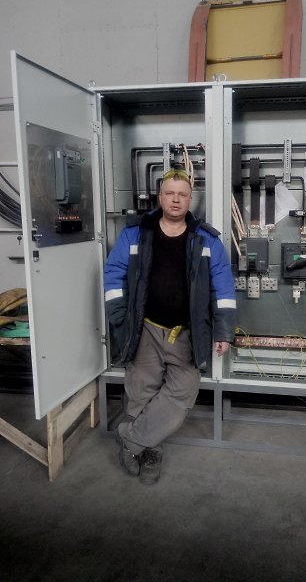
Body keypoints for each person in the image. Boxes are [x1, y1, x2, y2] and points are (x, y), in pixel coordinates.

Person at [104, 169, 236, 485]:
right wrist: (120, 317)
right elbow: (113, 275)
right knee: (140, 392)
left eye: (182, 194)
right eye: (169, 193)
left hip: (186, 332)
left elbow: (223, 288)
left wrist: (223, 330)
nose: (176, 200)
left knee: (183, 393)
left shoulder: (207, 239)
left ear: (190, 199)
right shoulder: (135, 234)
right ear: (160, 197)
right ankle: (149, 452)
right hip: (145, 329)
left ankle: (130, 439)